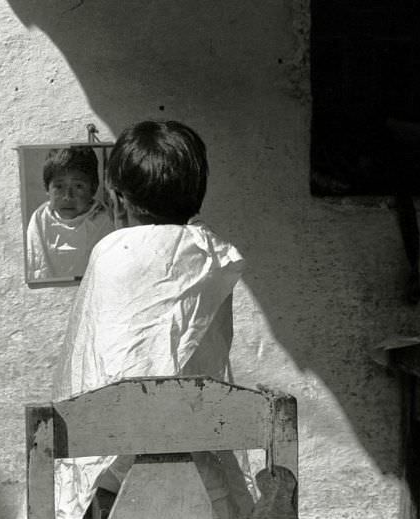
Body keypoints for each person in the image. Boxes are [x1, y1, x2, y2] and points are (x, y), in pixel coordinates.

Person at [52, 121, 252, 518]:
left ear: (118, 198)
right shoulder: (216, 255)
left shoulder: (112, 252)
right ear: (197, 194)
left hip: (111, 470)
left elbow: (89, 364)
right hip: (201, 463)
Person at [26, 146, 114, 281]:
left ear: (94, 187)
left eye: (78, 186)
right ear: (47, 188)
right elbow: (37, 266)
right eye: (59, 187)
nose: (68, 196)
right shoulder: (40, 219)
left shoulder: (104, 220)